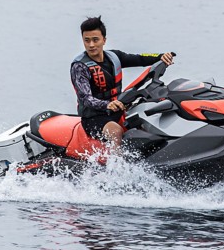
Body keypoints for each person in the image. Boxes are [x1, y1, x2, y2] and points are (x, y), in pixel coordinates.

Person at [70, 16, 174, 151]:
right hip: (93, 118)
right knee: (115, 132)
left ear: (104, 40)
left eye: (95, 40)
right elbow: (86, 98)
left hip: (119, 110)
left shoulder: (114, 57)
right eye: (87, 40)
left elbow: (139, 59)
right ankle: (116, 170)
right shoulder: (80, 66)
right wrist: (108, 104)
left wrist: (160, 56)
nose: (91, 45)